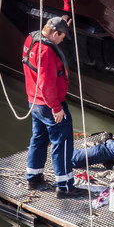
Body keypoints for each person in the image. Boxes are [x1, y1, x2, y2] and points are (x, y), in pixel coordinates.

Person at [22, 16, 85, 198]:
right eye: (62, 37)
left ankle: (33, 178)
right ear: (55, 33)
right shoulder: (46, 52)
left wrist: (63, 20)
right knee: (63, 142)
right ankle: (65, 186)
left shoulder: (30, 39)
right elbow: (47, 84)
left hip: (33, 101)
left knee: (39, 138)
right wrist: (56, 108)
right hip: (49, 103)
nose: (62, 41)